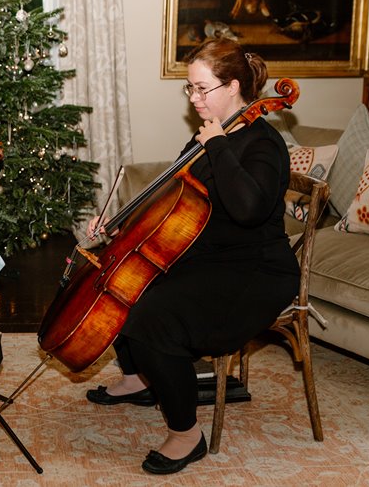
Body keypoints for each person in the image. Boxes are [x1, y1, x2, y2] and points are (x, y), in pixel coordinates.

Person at [84, 39, 298, 475]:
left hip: (255, 271)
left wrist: (218, 145)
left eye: (202, 89)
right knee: (123, 281)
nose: (195, 99)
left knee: (153, 317)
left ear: (234, 86)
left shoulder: (263, 144)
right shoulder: (206, 135)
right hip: (207, 257)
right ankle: (138, 378)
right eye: (190, 90)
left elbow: (248, 209)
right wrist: (120, 226)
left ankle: (186, 433)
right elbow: (172, 197)